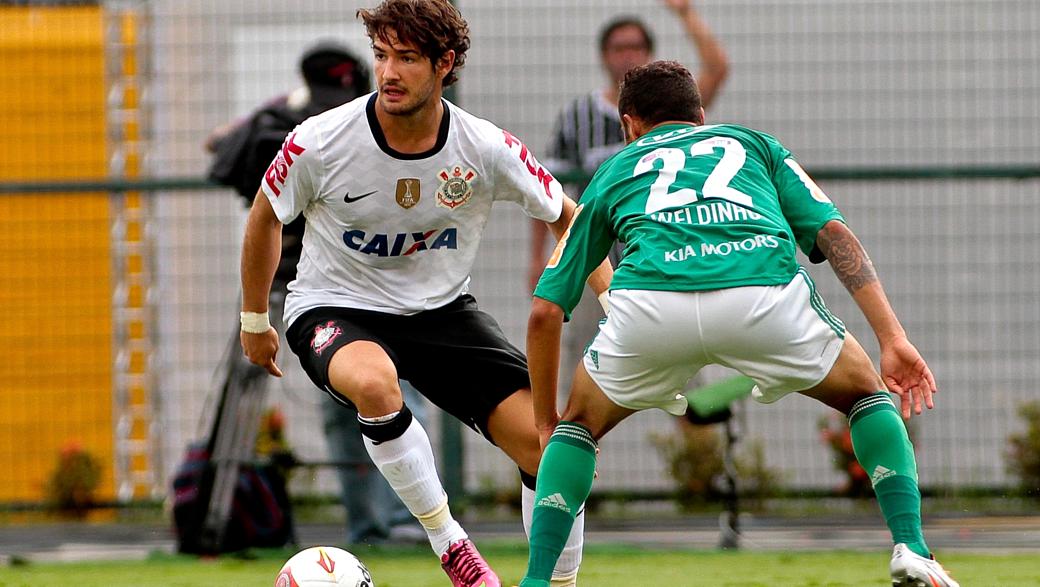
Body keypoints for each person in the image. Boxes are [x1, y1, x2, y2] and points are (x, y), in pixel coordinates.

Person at [519, 61, 958, 587]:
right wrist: (893, 338)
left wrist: (546, 423)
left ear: (628, 124)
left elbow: (545, 312)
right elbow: (836, 237)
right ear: (701, 116)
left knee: (578, 429)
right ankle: (911, 546)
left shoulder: (614, 170)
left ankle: (537, 581)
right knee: (865, 394)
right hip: (762, 296)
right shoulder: (755, 145)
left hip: (653, 309)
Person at [238, 2, 611, 586]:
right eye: (382, 55)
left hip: (442, 315)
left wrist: (616, 307)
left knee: (552, 453)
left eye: (407, 59)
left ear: (446, 64)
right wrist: (255, 320)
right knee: (374, 384)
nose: (388, 72)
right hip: (335, 306)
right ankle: (452, 547)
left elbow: (571, 219)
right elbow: (265, 217)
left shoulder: (484, 147)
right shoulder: (321, 139)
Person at [206, 40, 425, 547]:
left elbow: (216, 145)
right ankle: (375, 523)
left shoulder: (325, 122)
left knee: (390, 395)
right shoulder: (301, 126)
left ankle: (392, 520)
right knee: (375, 398)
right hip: (300, 284)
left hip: (358, 284)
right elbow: (216, 149)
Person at [531, 0, 729, 393]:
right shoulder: (577, 118)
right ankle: (571, 439)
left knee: (691, 383)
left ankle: (700, 452)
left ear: (649, 54)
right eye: (619, 47)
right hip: (597, 264)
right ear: (604, 56)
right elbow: (544, 189)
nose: (627, 55)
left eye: (636, 47)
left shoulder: (671, 110)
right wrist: (539, 256)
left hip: (665, 259)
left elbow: (717, 71)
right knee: (585, 372)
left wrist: (686, 13)